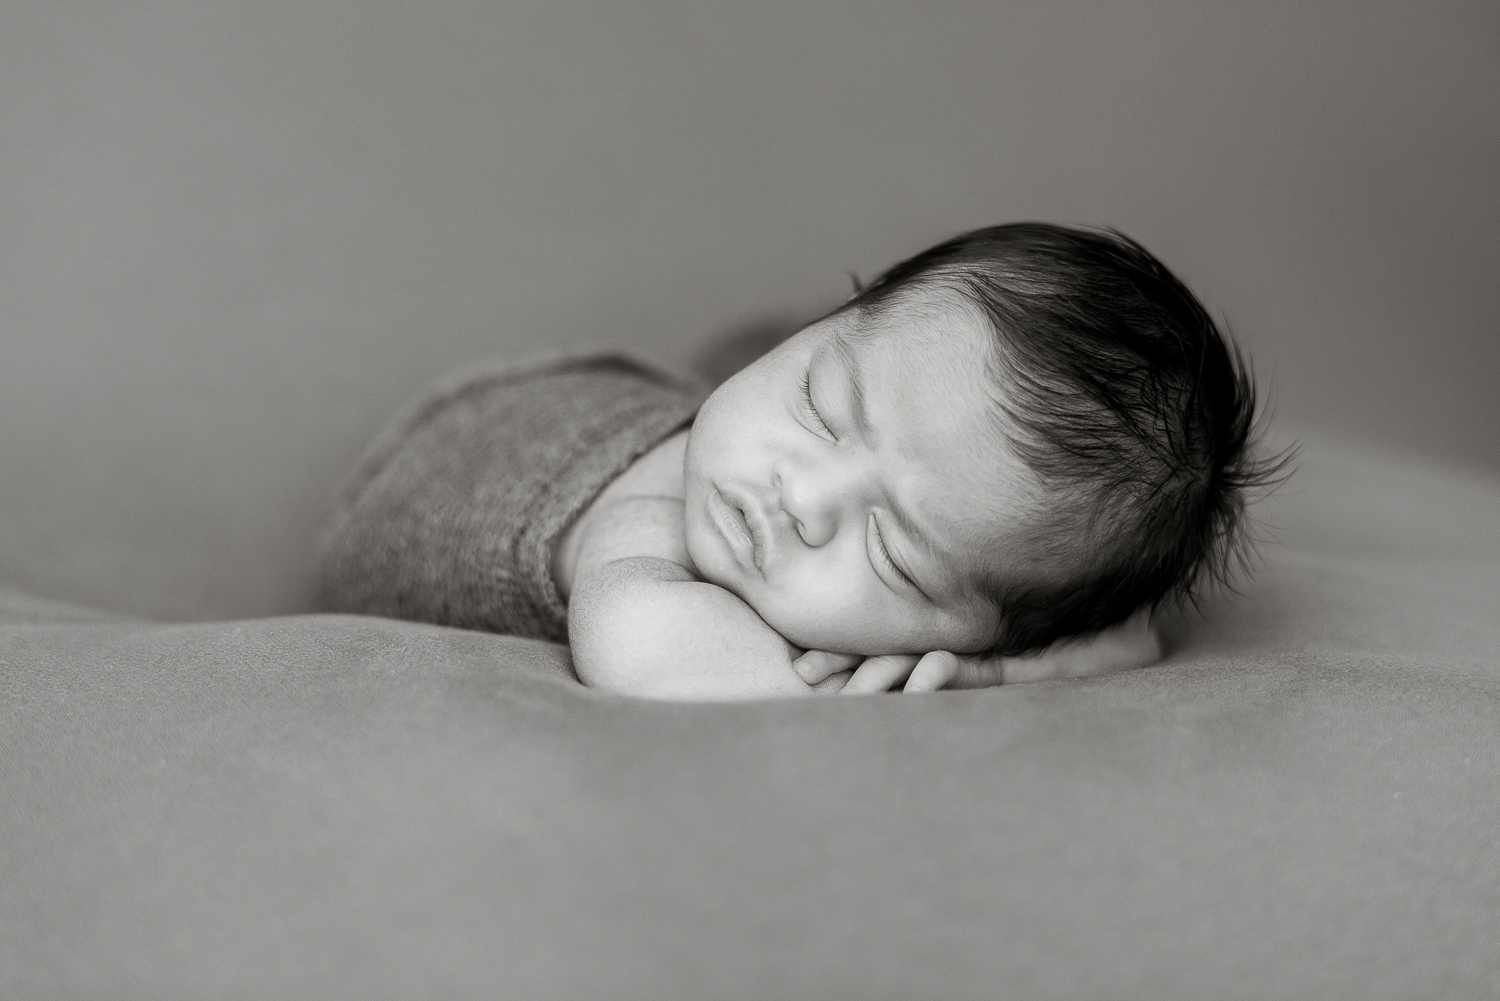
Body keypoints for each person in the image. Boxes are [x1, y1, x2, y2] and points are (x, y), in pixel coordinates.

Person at [317, 223, 1273, 699]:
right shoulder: (644, 529)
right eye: (822, 407)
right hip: (481, 436)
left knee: (745, 395)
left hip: (660, 408)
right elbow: (643, 651)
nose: (804, 497)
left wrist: (1017, 661)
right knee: (719, 402)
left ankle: (770, 366)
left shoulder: (764, 475)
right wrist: (997, 676)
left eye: (895, 553)